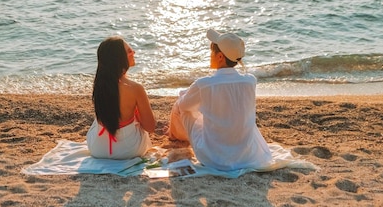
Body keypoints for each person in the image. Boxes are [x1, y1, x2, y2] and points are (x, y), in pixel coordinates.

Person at [168, 29, 273, 171]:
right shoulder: (250, 81)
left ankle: (173, 136)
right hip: (247, 154)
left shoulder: (205, 84)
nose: (210, 55)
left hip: (213, 158)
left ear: (220, 57)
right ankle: (175, 134)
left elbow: (184, 106)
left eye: (212, 52)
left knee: (180, 105)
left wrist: (185, 94)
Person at [87, 36, 156, 159]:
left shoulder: (99, 84)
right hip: (129, 150)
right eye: (129, 51)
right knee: (134, 118)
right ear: (119, 59)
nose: (134, 52)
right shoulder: (135, 88)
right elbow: (150, 127)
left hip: (97, 149)